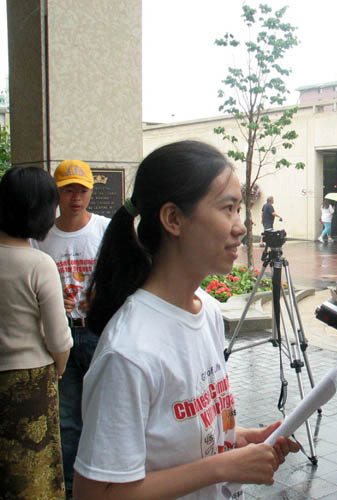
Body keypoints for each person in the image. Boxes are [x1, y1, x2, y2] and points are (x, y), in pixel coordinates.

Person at [73, 141, 298, 499]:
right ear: (174, 219)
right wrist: (222, 467)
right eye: (227, 208)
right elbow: (96, 494)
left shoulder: (206, 310)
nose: (241, 226)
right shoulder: (129, 351)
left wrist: (240, 440)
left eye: (239, 209)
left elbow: (180, 437)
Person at [32, 159, 110, 498]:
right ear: (56, 194)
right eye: (68, 191)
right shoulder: (41, 236)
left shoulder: (106, 229)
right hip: (60, 336)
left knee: (104, 412)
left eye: (81, 190)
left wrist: (102, 295)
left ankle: (107, 483)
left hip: (97, 332)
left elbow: (126, 275)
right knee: (66, 419)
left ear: (90, 191)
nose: (75, 198)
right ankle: (70, 488)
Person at [0, 167, 73, 499]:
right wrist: (59, 367)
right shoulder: (38, 264)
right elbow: (59, 338)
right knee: (33, 476)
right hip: (30, 383)